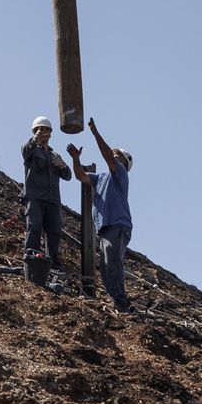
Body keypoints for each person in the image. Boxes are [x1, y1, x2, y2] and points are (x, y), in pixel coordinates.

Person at [68, 117, 133, 314]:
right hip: (106, 227)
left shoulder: (120, 174)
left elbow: (107, 156)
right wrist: (76, 159)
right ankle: (117, 300)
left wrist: (96, 133)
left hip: (117, 224)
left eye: (118, 154)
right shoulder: (102, 178)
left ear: (124, 162)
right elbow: (81, 176)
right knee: (105, 267)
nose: (114, 154)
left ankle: (121, 302)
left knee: (112, 263)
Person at [19, 116, 70, 288]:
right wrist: (35, 140)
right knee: (34, 227)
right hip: (35, 196)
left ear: (51, 133)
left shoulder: (55, 155)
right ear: (34, 132)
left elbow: (68, 176)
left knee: (54, 232)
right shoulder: (31, 149)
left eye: (46, 130)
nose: (43, 132)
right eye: (40, 129)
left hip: (52, 200)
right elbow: (25, 151)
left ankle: (53, 263)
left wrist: (63, 165)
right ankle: (31, 258)